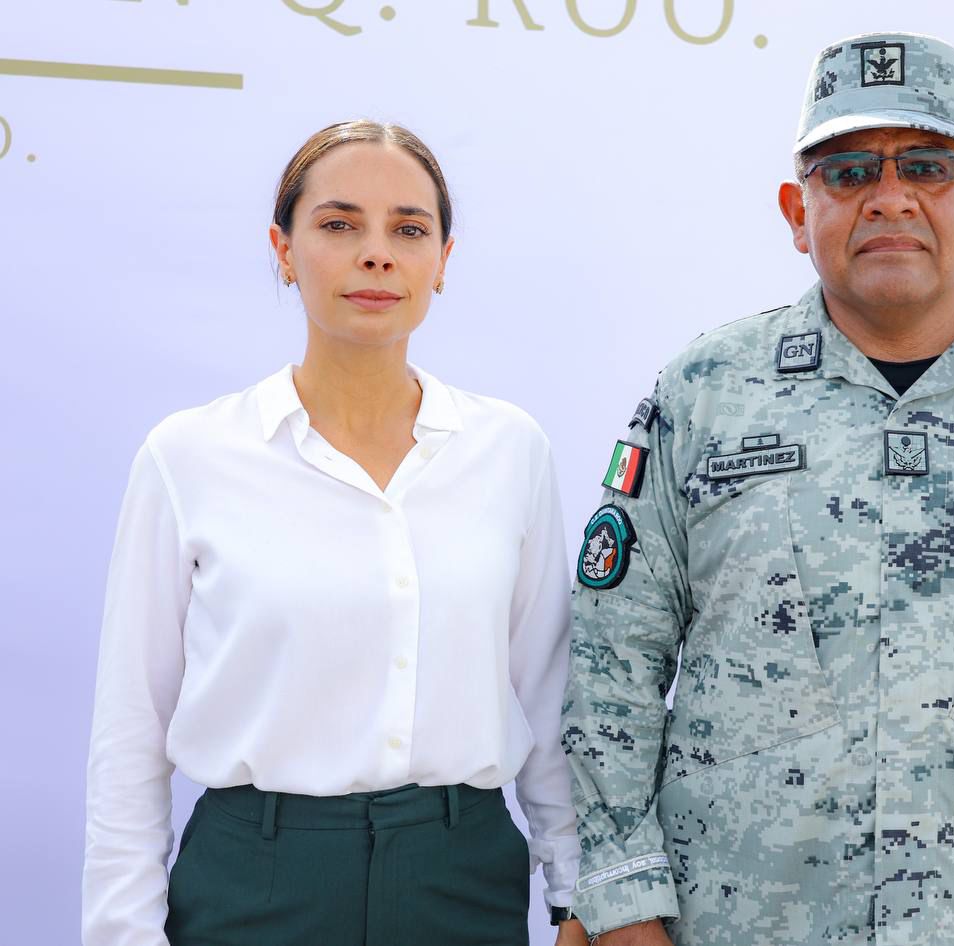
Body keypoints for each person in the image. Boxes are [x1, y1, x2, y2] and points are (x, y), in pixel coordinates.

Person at [561, 32, 954, 946]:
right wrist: (621, 896)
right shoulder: (705, 395)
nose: (890, 197)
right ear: (798, 211)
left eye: (929, 167)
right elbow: (612, 656)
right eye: (849, 172)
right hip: (743, 923)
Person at [83, 120, 587, 945]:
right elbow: (130, 735)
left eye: (408, 230)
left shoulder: (509, 451)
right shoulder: (190, 456)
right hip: (255, 885)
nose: (377, 254)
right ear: (283, 250)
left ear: (443, 261)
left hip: (460, 882)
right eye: (340, 224)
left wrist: (576, 897)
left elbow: (547, 701)